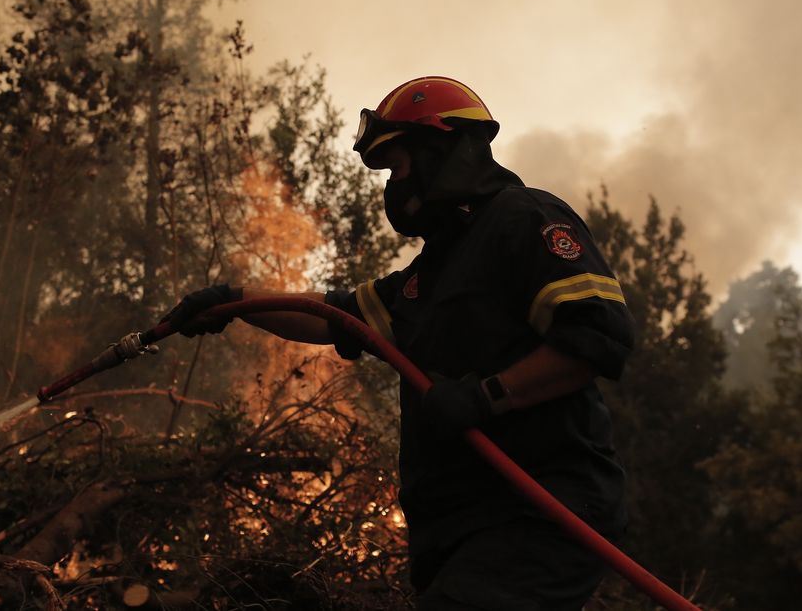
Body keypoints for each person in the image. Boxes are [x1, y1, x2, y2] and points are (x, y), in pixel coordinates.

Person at [161, 76, 636, 610]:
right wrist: (232, 302)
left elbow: (597, 336)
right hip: (463, 529)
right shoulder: (427, 276)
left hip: (541, 511)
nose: (393, 185)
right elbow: (331, 316)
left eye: (398, 164)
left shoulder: (523, 220)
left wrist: (486, 396)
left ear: (443, 151)